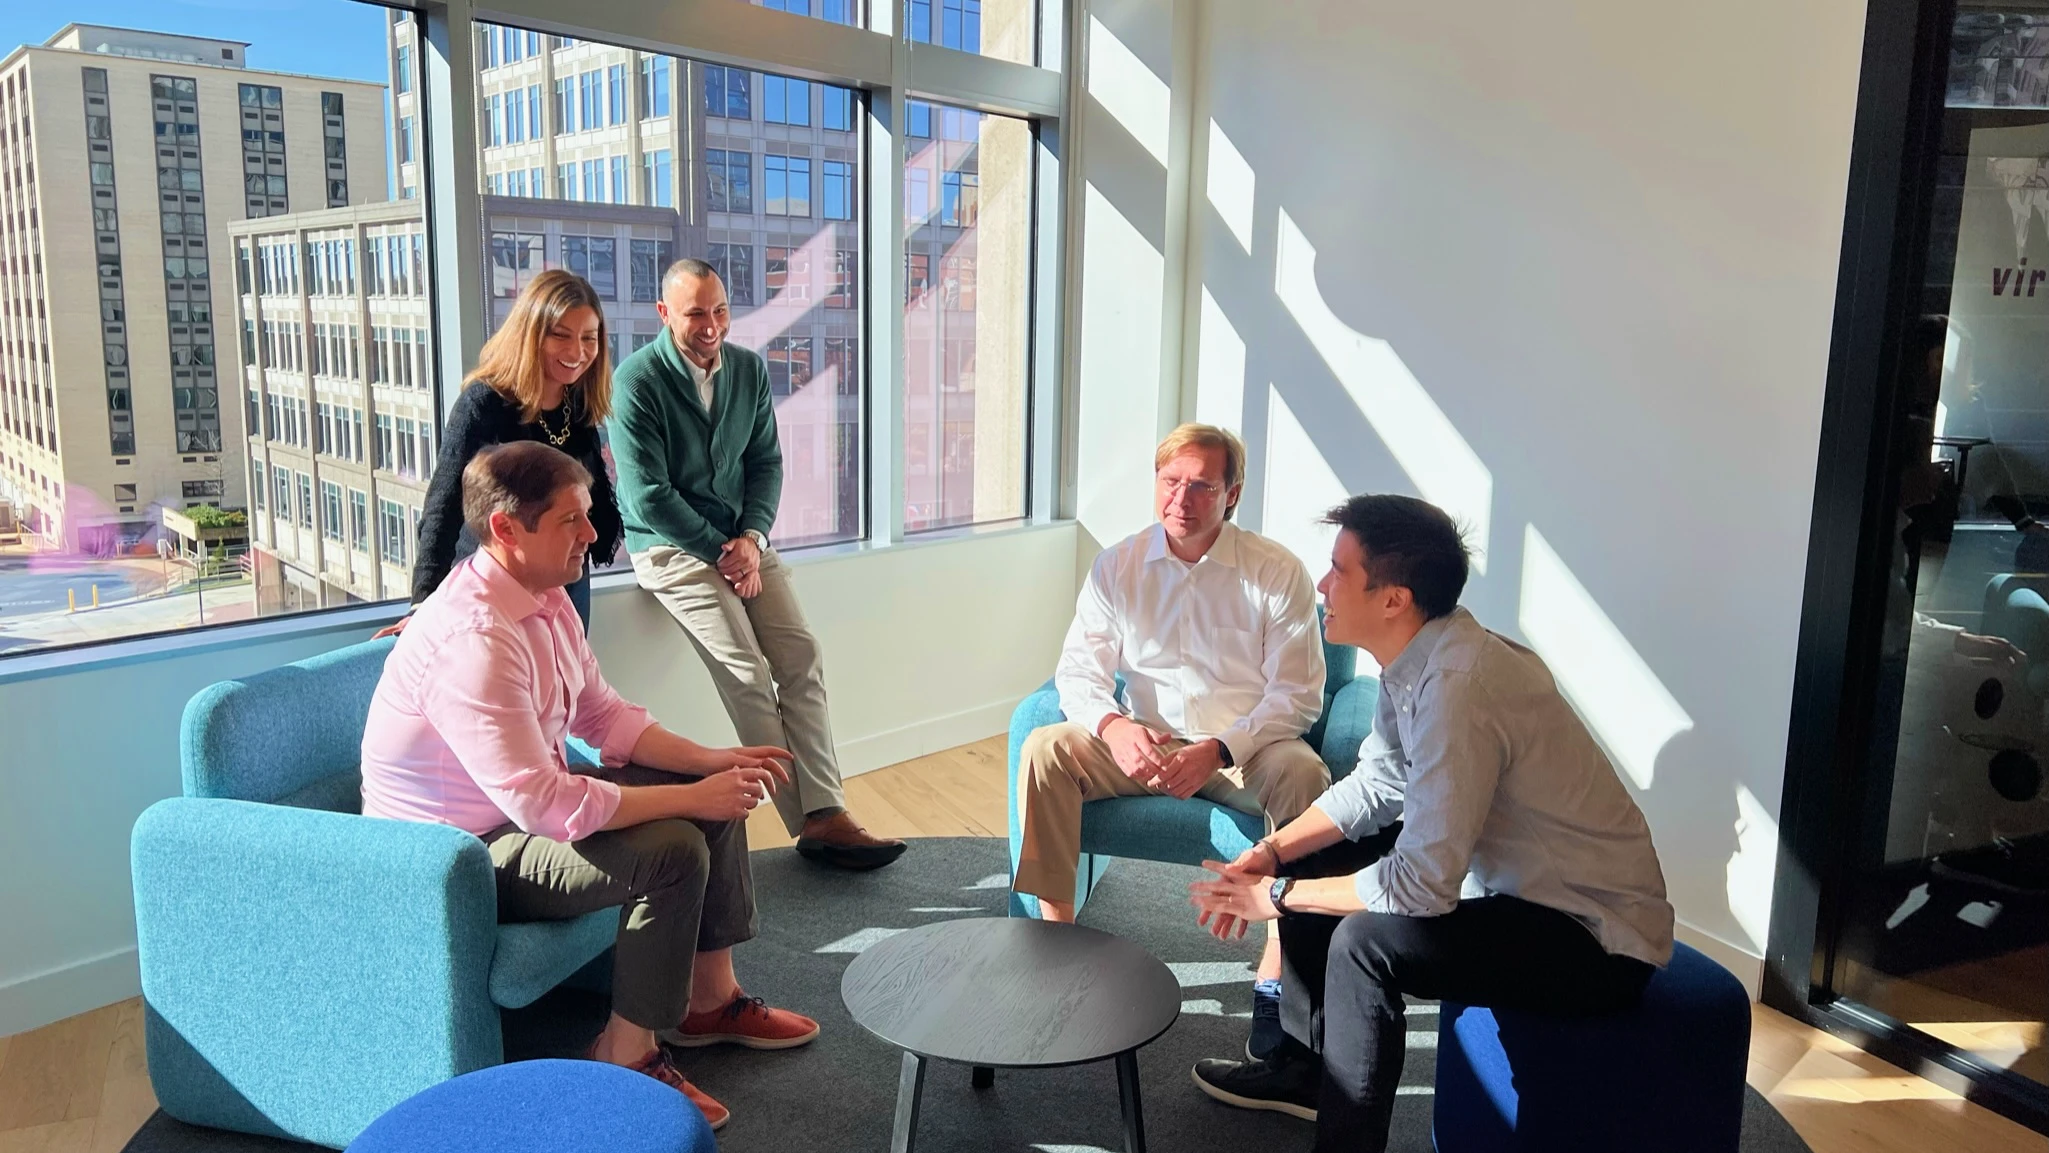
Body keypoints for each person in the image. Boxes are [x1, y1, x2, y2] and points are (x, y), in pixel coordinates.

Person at [1186, 494, 1673, 1153]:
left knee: (1363, 943)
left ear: (1393, 598)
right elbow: (1380, 783)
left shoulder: (1457, 686)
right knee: (1313, 849)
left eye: (1338, 571)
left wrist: (1273, 899)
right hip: (1516, 890)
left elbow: (1420, 885)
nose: (1323, 585)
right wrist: (1271, 856)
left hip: (1592, 937)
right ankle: (1303, 1068)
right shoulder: (1417, 658)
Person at [359, 441, 820, 1132]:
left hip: (518, 812)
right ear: (508, 531)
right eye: (571, 520)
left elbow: (602, 715)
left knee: (710, 785)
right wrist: (691, 798)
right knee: (673, 845)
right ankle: (623, 1055)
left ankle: (706, 1000)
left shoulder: (542, 599)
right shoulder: (473, 639)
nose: (593, 533)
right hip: (456, 855)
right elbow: (543, 803)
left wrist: (709, 761)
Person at [1015, 423, 1330, 1059]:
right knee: (1046, 748)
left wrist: (1218, 749)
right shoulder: (1118, 565)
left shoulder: (1276, 572)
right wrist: (1114, 726)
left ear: (1232, 494)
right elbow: (1078, 671)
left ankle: (1275, 972)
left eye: (1202, 487)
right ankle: (1057, 945)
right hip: (1145, 745)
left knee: (1305, 776)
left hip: (1245, 751)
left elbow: (1297, 696)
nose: (1181, 500)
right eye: (1170, 482)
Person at [607, 258, 904, 870]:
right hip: (670, 547)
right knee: (743, 667)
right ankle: (813, 821)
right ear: (664, 314)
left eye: (720, 310)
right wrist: (725, 549)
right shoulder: (635, 382)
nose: (711, 325)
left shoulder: (746, 369)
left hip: (743, 540)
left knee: (800, 656)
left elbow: (766, 462)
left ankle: (827, 806)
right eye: (695, 313)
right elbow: (647, 497)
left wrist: (751, 537)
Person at [406, 269, 623, 630]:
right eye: (561, 335)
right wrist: (423, 604)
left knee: (565, 682)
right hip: (497, 582)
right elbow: (443, 507)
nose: (577, 352)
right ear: (532, 335)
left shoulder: (579, 403)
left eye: (589, 338)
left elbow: (594, 495)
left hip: (568, 578)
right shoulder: (484, 403)